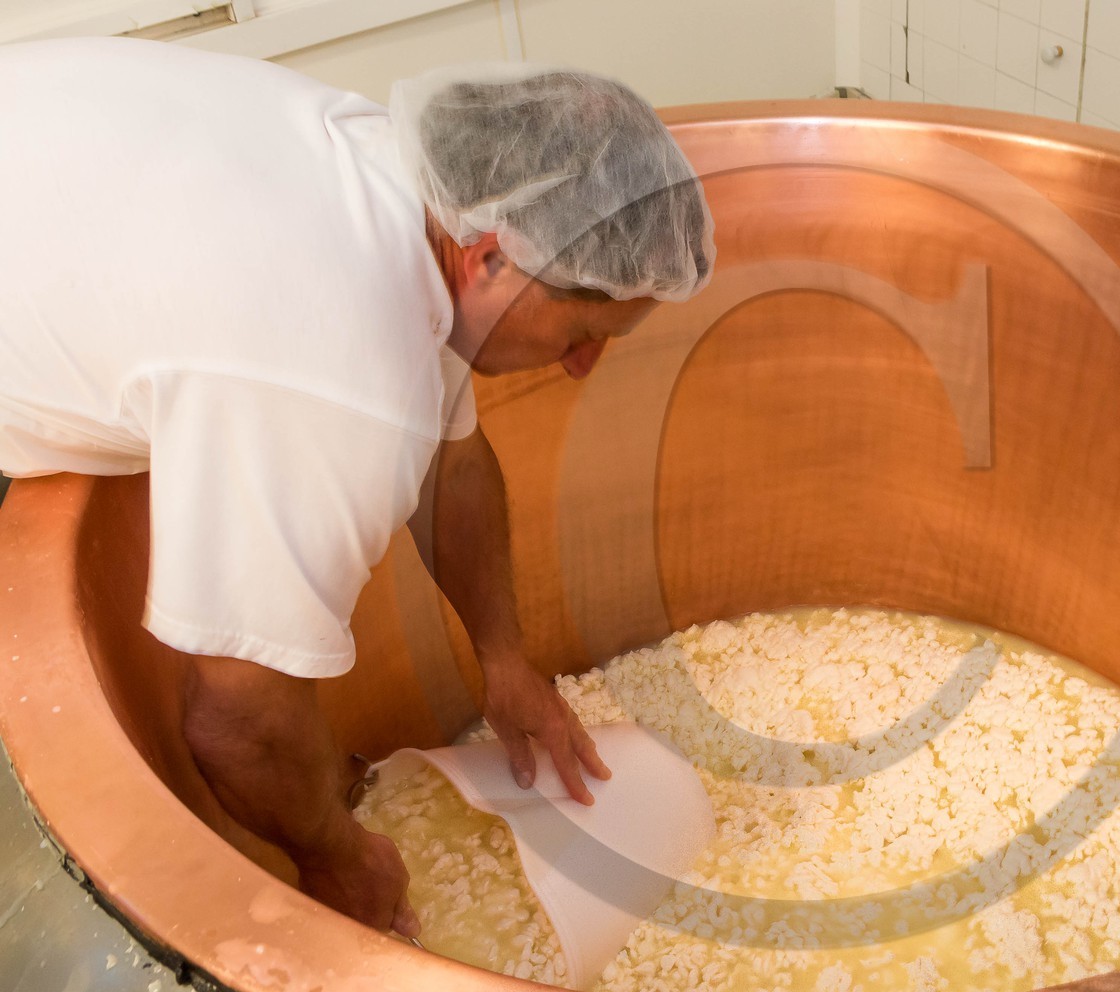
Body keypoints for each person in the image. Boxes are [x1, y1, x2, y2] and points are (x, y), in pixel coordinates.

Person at [0, 38, 715, 938]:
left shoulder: (416, 195)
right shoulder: (334, 367)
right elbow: (238, 716)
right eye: (582, 333)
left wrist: (503, 660)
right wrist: (337, 856)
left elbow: (453, 464)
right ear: (489, 260)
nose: (582, 368)